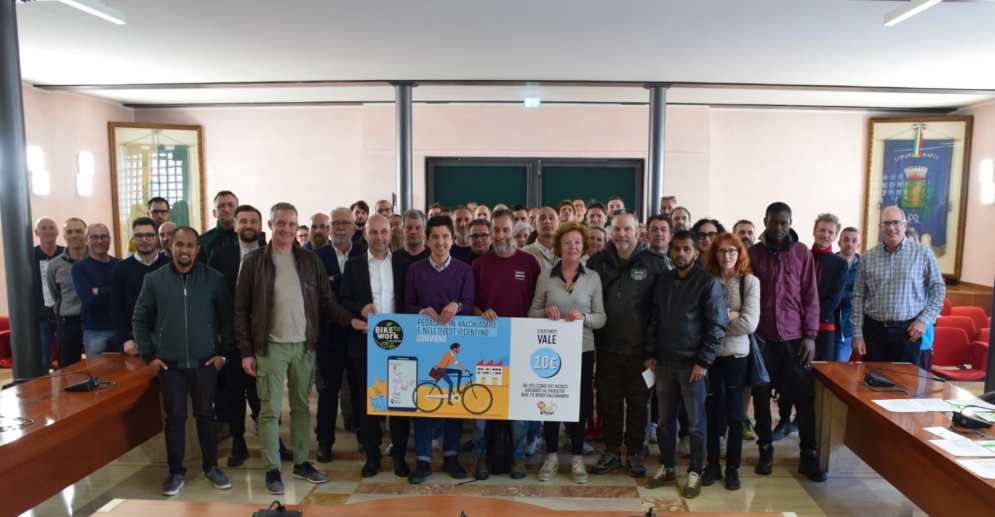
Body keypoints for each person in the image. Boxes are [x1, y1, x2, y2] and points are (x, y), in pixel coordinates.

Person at [234, 202, 366, 495]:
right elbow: (240, 310)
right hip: (269, 347)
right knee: (269, 411)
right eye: (280, 223)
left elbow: (327, 302)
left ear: (296, 228)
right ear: (271, 225)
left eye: (291, 224)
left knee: (302, 408)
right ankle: (272, 469)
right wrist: (246, 352)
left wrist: (352, 320)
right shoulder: (254, 262)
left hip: (305, 346)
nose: (286, 229)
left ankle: (302, 463)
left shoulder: (309, 260)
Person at [133, 226, 233, 497]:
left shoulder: (214, 279)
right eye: (179, 244)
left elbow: (228, 318)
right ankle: (176, 472)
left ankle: (212, 467)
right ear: (170, 247)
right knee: (175, 418)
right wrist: (149, 356)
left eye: (190, 245)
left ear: (197, 249)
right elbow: (140, 319)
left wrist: (223, 354)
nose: (184, 250)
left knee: (206, 416)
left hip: (205, 363)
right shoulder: (154, 280)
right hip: (170, 366)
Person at [645, 230, 727, 497]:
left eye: (686, 249)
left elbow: (717, 326)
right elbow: (654, 320)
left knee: (695, 423)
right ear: (670, 251)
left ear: (695, 252)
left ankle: (695, 471)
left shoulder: (708, 283)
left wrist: (703, 361)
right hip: (664, 363)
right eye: (676, 248)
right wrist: (650, 353)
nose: (680, 253)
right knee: (665, 421)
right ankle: (668, 466)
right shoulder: (663, 281)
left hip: (693, 365)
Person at [586, 213, 669, 477]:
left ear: (637, 232)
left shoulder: (655, 264)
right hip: (606, 348)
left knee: (638, 404)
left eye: (627, 229)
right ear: (611, 232)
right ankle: (611, 451)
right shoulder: (597, 262)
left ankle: (634, 452)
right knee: (608, 402)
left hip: (641, 352)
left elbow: (661, 311)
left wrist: (654, 351)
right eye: (618, 229)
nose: (622, 234)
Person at [748, 202, 824, 482]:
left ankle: (809, 456)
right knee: (760, 398)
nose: (779, 227)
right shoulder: (753, 254)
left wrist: (810, 336)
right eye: (774, 222)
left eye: (784, 222)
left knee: (804, 400)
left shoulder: (802, 253)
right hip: (762, 340)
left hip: (795, 339)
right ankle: (765, 452)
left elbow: (811, 296)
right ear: (765, 221)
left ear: (791, 223)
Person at [530, 222, 606, 484]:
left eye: (577, 242)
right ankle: (551, 456)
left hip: (583, 348)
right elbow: (532, 312)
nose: (572, 247)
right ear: (559, 246)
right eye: (567, 242)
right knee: (551, 401)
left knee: (580, 404)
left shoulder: (593, 277)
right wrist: (546, 313)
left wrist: (584, 317)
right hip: (551, 348)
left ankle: (577, 458)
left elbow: (601, 317)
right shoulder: (545, 276)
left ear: (583, 246)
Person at [404, 215, 475, 485]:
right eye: (435, 237)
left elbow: (470, 304)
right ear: (427, 240)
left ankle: (451, 456)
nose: (440, 242)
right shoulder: (415, 270)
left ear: (453, 240)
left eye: (445, 237)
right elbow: (406, 305)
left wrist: (458, 305)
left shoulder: (464, 270)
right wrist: (421, 310)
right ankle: (423, 460)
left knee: (453, 401)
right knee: (426, 399)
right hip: (423, 345)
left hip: (456, 345)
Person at [471, 209, 541, 480]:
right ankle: (480, 456)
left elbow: (538, 301)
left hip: (521, 345)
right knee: (481, 405)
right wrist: (482, 312)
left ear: (515, 231)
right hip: (486, 345)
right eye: (496, 230)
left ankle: (518, 457)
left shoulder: (529, 263)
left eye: (505, 230)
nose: (500, 235)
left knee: (519, 407)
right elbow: (471, 304)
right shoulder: (479, 265)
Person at [339, 214, 412, 478]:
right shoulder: (353, 265)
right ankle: (372, 456)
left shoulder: (403, 265)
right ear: (365, 234)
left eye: (384, 232)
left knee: (400, 404)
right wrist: (360, 308)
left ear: (391, 234)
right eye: (374, 232)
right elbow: (343, 298)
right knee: (367, 404)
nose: (379, 237)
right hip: (365, 344)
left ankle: (399, 456)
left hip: (400, 344)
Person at [698, 232, 759, 491]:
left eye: (732, 251)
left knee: (735, 416)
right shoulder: (705, 280)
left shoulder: (750, 282)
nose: (727, 256)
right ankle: (712, 465)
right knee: (712, 413)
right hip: (710, 357)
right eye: (722, 251)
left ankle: (733, 468)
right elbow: (699, 319)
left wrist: (717, 322)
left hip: (737, 356)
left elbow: (749, 323)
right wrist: (730, 315)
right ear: (715, 254)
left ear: (739, 253)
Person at [208, 204, 266, 467]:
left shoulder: (270, 253)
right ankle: (238, 442)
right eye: (243, 221)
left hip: (263, 334)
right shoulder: (220, 255)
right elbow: (212, 296)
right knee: (234, 392)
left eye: (253, 221)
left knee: (263, 392)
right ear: (235, 225)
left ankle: (271, 440)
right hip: (231, 334)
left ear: (260, 226)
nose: (248, 226)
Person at [851, 206, 944, 365]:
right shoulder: (867, 258)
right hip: (874, 332)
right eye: (886, 223)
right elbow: (858, 297)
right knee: (872, 379)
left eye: (896, 222)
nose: (891, 227)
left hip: (908, 332)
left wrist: (924, 320)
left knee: (905, 380)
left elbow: (938, 290)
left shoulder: (923, 254)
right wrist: (857, 334)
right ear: (880, 227)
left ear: (905, 225)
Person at [312, 208, 365, 463]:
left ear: (355, 228)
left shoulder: (365, 253)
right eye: (336, 223)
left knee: (360, 391)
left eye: (346, 223)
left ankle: (366, 441)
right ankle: (324, 443)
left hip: (359, 334)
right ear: (330, 228)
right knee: (328, 393)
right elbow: (317, 297)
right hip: (328, 335)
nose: (341, 227)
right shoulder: (316, 257)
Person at [110, 217, 169, 357]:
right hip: (134, 340)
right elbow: (116, 308)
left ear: (157, 237)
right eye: (139, 236)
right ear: (133, 239)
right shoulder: (121, 269)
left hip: (168, 338)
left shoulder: (169, 265)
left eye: (149, 235)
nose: (144, 240)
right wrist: (125, 339)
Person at [72, 223, 119, 357]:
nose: (100, 241)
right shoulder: (79, 268)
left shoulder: (120, 265)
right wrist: (113, 291)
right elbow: (90, 301)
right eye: (94, 237)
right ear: (86, 240)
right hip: (95, 331)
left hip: (120, 329)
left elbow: (125, 297)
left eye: (104, 236)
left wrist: (98, 291)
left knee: (123, 369)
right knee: (96, 369)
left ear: (109, 239)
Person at [47, 218, 87, 368]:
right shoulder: (54, 265)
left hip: (96, 320)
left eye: (78, 231)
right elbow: (55, 293)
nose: (74, 235)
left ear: (86, 234)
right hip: (69, 323)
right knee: (69, 369)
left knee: (101, 366)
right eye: (69, 232)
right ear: (64, 236)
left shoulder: (96, 259)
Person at [811, 214, 848, 361]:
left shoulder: (840, 264)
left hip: (824, 326)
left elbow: (834, 299)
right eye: (822, 230)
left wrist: (810, 317)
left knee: (822, 369)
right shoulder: (802, 257)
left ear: (835, 237)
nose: (825, 235)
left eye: (830, 232)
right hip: (798, 325)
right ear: (814, 231)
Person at [33, 217, 63, 372]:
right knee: (44, 358)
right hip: (42, 315)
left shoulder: (65, 253)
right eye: (43, 228)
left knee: (67, 356)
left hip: (65, 314)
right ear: (36, 232)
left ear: (57, 231)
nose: (48, 231)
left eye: (51, 227)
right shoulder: (30, 255)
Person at [836, 227, 861, 361]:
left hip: (849, 329)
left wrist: (839, 295)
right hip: (828, 325)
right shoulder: (830, 262)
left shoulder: (864, 267)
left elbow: (862, 297)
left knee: (839, 366)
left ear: (859, 245)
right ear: (839, 242)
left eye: (854, 240)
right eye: (846, 240)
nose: (850, 244)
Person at [200, 190, 239, 260]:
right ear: (214, 213)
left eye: (231, 205)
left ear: (238, 210)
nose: (226, 209)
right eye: (221, 206)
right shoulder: (203, 241)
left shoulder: (248, 237)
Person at [523, 207, 560, 273]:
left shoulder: (567, 252)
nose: (547, 221)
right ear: (535, 224)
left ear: (559, 224)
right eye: (542, 218)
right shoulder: (525, 253)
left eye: (551, 218)